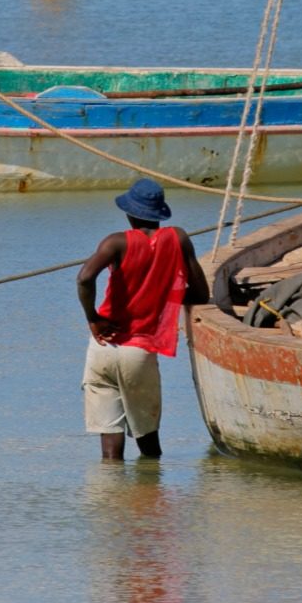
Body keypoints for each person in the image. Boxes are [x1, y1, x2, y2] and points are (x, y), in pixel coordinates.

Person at [76, 177, 210, 461]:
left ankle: (113, 503)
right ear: (160, 213)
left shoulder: (115, 243)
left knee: (110, 452)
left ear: (129, 213)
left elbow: (85, 278)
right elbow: (200, 294)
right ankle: (149, 497)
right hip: (139, 352)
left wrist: (93, 319)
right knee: (149, 445)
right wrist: (166, 293)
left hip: (102, 346)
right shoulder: (178, 238)